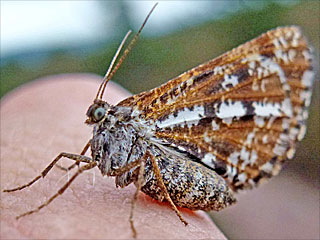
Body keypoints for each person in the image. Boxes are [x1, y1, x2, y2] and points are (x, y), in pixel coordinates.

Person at [1, 74, 225, 239]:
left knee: (142, 157)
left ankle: (132, 217)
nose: (91, 116)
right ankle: (45, 186)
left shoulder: (123, 126)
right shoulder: (101, 133)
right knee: (66, 157)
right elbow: (93, 147)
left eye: (96, 114)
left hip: (180, 178)